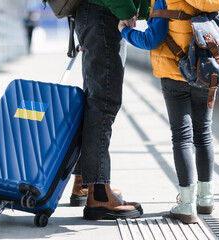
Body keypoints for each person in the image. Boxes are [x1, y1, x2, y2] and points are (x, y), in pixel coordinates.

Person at [118, 0, 219, 223]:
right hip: (208, 71)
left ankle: (187, 205)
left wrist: (125, 31)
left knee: (182, 137)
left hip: (174, 72)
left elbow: (151, 39)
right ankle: (206, 199)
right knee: (204, 134)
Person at [70, 0, 151, 220]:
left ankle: (84, 183)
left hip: (97, 13)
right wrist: (126, 11)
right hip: (105, 13)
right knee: (104, 103)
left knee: (94, 101)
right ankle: (99, 195)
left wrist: (144, 10)